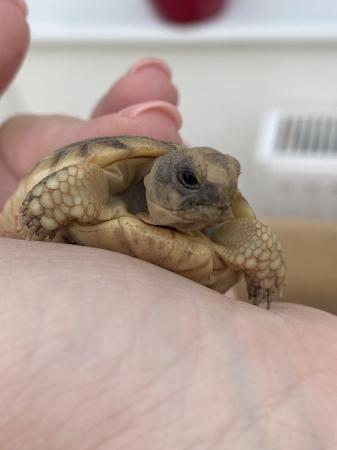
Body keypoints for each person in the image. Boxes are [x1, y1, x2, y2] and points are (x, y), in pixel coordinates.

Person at [0, 1, 336, 448]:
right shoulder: (95, 184)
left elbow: (258, 248)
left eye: (228, 187)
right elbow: (59, 189)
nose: (217, 199)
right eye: (190, 181)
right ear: (160, 174)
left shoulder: (224, 232)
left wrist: (262, 305)